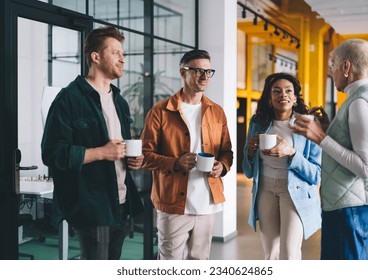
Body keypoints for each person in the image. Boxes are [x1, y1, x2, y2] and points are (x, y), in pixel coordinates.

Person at [41, 26, 144, 260]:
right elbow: (52, 154)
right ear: (95, 57)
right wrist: (101, 152)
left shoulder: (120, 102)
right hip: (92, 205)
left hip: (122, 201)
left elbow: (119, 149)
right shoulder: (68, 99)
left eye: (123, 54)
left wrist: (133, 158)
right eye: (115, 52)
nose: (123, 59)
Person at [292, 38, 368, 260]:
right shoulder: (365, 97)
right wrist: (328, 129)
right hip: (351, 205)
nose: (331, 72)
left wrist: (320, 137)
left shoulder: (360, 103)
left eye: (333, 66)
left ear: (346, 67)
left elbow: (365, 167)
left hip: (349, 209)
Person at [140, 49, 233, 260]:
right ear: (183, 72)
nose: (204, 76)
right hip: (173, 204)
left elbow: (227, 151)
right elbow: (145, 155)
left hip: (208, 202)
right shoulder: (160, 112)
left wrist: (223, 167)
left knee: (199, 262)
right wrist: (175, 163)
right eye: (198, 70)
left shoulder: (217, 111)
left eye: (209, 71)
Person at [242, 72, 322, 260]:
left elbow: (317, 174)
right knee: (270, 253)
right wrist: (250, 152)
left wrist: (292, 153)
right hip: (265, 189)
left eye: (288, 91)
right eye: (276, 91)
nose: (282, 95)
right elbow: (247, 171)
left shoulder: (308, 124)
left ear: (295, 98)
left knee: (289, 252)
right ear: (269, 98)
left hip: (295, 191)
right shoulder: (257, 122)